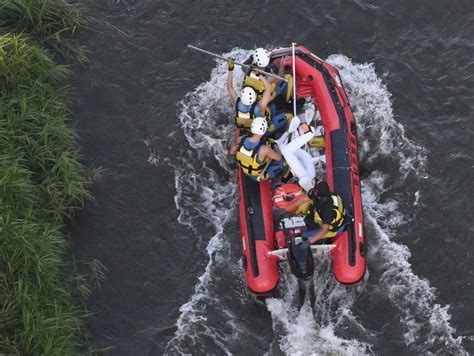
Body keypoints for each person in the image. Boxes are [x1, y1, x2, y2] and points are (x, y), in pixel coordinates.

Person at [229, 117, 285, 181]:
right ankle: (278, 180)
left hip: (244, 170)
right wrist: (275, 145)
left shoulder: (240, 139)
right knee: (283, 162)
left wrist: (245, 157)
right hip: (257, 177)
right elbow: (279, 157)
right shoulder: (264, 149)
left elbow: (231, 152)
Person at [227, 58, 273, 131]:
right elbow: (268, 87)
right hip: (261, 130)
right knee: (274, 108)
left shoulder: (237, 103)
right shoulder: (260, 106)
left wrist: (230, 69)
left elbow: (229, 87)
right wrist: (259, 75)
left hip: (245, 128)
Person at [299, 180, 348, 244]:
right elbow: (304, 200)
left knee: (303, 235)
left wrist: (309, 242)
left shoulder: (327, 210)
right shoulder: (329, 194)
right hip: (329, 217)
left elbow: (325, 230)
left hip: (331, 229)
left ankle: (323, 241)